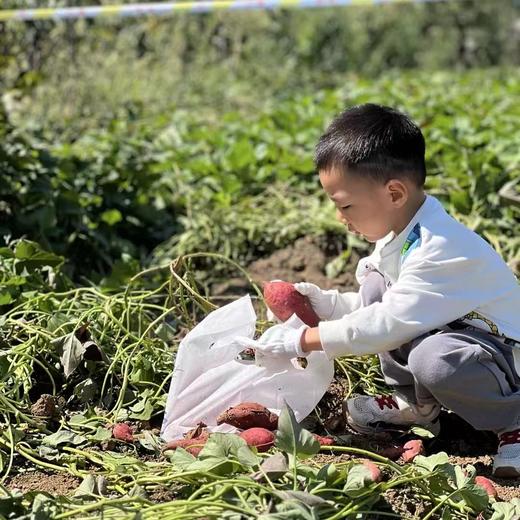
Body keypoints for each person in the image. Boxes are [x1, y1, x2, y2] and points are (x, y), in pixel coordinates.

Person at [234, 103, 520, 477]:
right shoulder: (401, 235)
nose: (341, 217)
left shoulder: (440, 248)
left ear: (395, 193)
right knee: (374, 283)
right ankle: (416, 404)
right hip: (469, 340)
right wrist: (332, 305)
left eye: (346, 205)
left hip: (507, 357)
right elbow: (389, 306)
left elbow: (387, 324)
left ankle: (511, 422)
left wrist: (301, 341)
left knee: (434, 359)